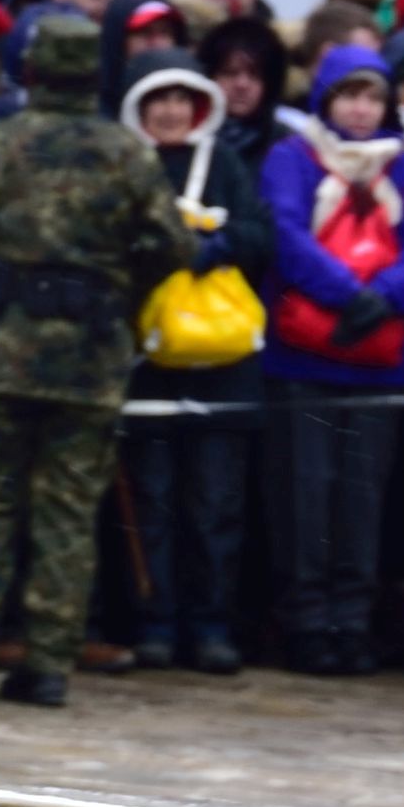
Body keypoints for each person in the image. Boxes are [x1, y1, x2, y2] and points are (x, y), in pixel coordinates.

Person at [0, 2, 178, 714]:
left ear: (34, 69)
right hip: (90, 357)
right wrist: (121, 290)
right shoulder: (128, 152)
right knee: (68, 514)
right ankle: (48, 667)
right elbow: (172, 243)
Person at [253, 41, 404, 670]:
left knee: (362, 497)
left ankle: (352, 619)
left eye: (372, 98)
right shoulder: (292, 158)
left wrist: (385, 296)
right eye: (349, 96)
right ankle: (305, 620)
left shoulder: (402, 168)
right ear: (326, 100)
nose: (360, 109)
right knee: (304, 495)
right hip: (302, 357)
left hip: (378, 358)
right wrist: (348, 294)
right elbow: (286, 234)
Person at [116, 55, 260, 670]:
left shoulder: (223, 163)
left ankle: (211, 627)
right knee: (153, 502)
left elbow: (261, 236)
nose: (172, 111)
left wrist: (210, 247)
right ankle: (156, 622)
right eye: (159, 99)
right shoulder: (125, 163)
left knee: (215, 506)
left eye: (182, 99)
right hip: (145, 363)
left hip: (221, 366)